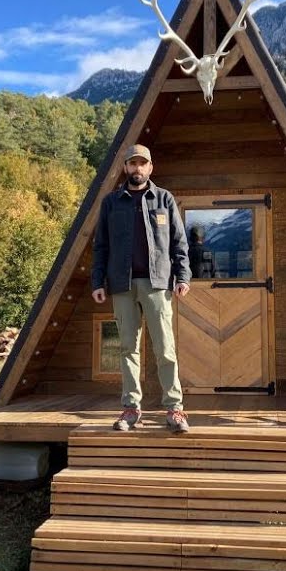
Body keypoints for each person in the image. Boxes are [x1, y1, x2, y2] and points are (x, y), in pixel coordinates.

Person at [92, 144, 191, 433]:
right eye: (132, 163)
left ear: (150, 167)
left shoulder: (164, 199)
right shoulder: (111, 202)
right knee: (127, 349)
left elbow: (179, 242)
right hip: (121, 285)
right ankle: (131, 409)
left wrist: (183, 276)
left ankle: (174, 410)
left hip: (157, 284)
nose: (137, 168)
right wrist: (98, 282)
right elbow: (101, 246)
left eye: (142, 163)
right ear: (125, 167)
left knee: (165, 349)